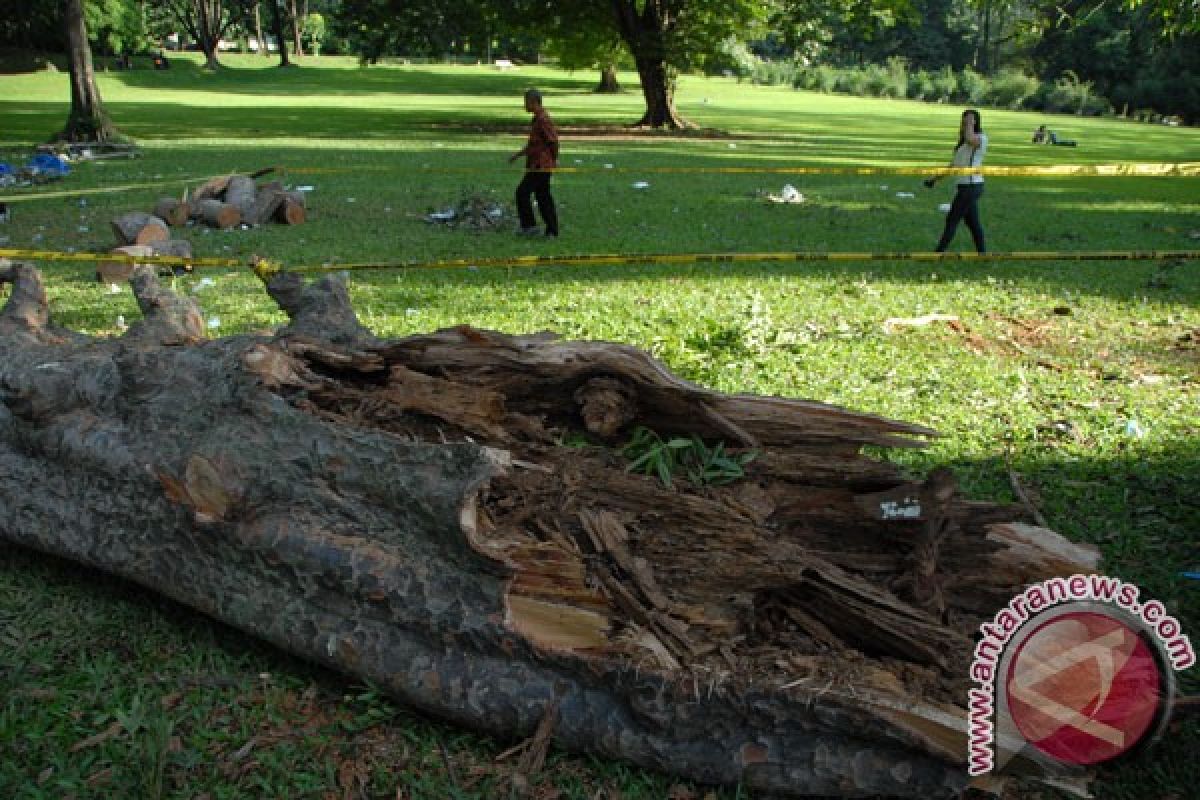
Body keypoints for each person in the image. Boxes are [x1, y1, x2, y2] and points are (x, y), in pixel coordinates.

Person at [925, 109, 987, 254]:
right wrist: (934, 180)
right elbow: (953, 166)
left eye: (970, 120)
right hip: (965, 187)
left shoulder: (981, 138)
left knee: (952, 220)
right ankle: (983, 254)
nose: (966, 122)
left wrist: (969, 124)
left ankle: (938, 253)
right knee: (973, 223)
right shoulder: (962, 145)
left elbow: (970, 139)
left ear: (976, 122)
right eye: (964, 120)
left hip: (972, 186)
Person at [509, 88, 559, 238]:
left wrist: (553, 160)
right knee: (543, 196)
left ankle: (529, 227)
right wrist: (518, 155)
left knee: (522, 193)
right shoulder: (537, 119)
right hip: (536, 164)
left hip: (540, 165)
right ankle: (551, 230)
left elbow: (553, 141)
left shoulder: (543, 119)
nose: (524, 105)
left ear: (533, 102)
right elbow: (534, 144)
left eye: (526, 102)